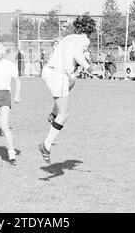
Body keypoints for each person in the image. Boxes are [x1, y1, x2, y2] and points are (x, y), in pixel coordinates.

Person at [39, 15, 96, 164]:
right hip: (58, 75)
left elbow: (67, 56)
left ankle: (53, 113)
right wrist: (90, 68)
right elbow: (77, 55)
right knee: (64, 115)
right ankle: (46, 145)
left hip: (48, 72)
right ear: (91, 29)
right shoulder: (85, 40)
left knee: (72, 81)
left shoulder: (69, 37)